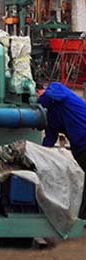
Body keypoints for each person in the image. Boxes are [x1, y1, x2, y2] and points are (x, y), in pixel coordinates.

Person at [38, 82, 86, 217]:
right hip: (80, 147)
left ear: (41, 90)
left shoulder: (55, 87)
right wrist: (39, 157)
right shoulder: (51, 116)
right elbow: (50, 138)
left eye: (37, 94)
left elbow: (52, 96)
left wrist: (36, 103)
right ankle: (82, 217)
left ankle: (83, 217)